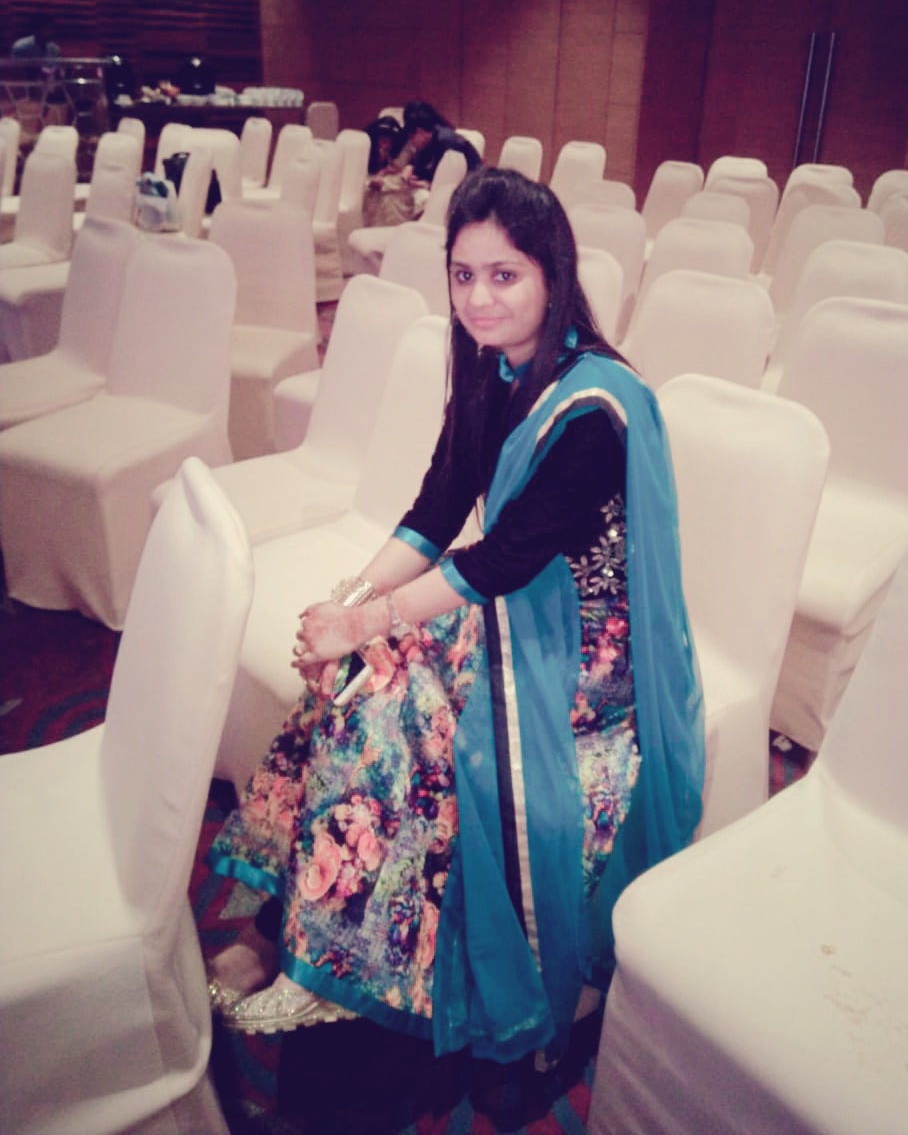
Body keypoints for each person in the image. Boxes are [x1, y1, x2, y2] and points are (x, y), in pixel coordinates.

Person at [207, 167, 704, 1076]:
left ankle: (334, 958)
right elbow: (439, 507)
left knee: (392, 715)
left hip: (584, 662)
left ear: (552, 274)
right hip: (507, 611)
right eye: (463, 275)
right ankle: (290, 927)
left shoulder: (595, 407)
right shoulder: (490, 369)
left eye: (504, 275)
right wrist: (350, 605)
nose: (478, 298)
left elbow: (504, 557)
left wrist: (367, 623)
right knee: (356, 681)